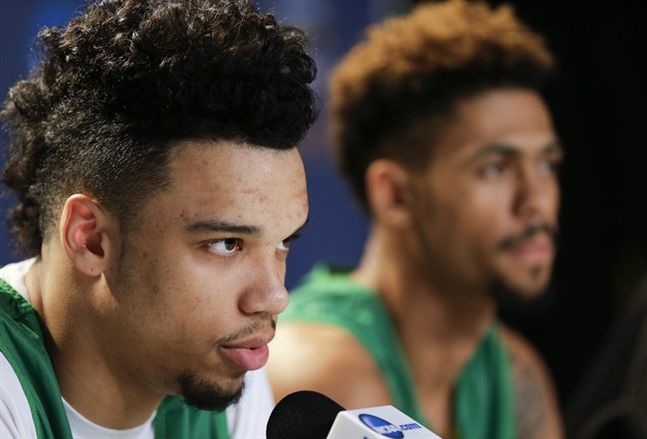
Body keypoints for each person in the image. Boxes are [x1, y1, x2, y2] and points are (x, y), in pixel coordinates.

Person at [0, 0, 316, 438]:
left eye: (283, 242)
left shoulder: (224, 370)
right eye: (227, 243)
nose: (273, 296)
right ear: (91, 239)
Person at [267, 1, 564, 438]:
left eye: (546, 165)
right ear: (396, 195)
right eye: (496, 168)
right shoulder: (323, 374)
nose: (535, 200)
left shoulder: (511, 369)